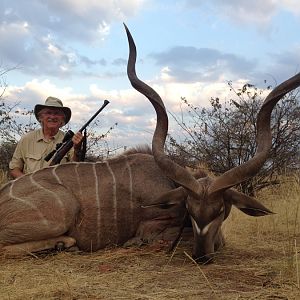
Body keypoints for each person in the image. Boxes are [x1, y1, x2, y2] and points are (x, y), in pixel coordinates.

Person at [9, 96, 83, 179]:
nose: (52, 116)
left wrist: (77, 149)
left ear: (62, 119)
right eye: (48, 113)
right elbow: (14, 169)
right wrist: (30, 183)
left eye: (57, 113)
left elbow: (75, 171)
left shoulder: (70, 141)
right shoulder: (27, 139)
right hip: (29, 189)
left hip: (58, 190)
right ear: (41, 117)